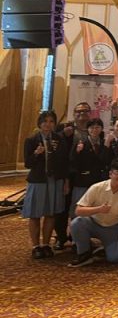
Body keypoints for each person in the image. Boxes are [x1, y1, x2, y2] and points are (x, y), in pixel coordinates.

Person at [68, 157, 118, 266]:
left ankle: (106, 248)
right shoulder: (97, 187)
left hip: (113, 229)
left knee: (117, 258)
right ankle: (84, 252)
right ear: (110, 174)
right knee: (77, 223)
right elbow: (78, 211)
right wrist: (98, 209)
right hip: (93, 224)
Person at [23, 110, 68, 259]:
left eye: (51, 121)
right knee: (35, 214)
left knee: (51, 213)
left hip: (55, 181)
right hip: (38, 181)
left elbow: (64, 162)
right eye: (45, 121)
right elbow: (28, 164)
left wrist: (65, 181)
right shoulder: (31, 140)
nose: (48, 124)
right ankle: (36, 246)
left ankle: (46, 244)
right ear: (40, 123)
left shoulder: (59, 139)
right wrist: (36, 153)